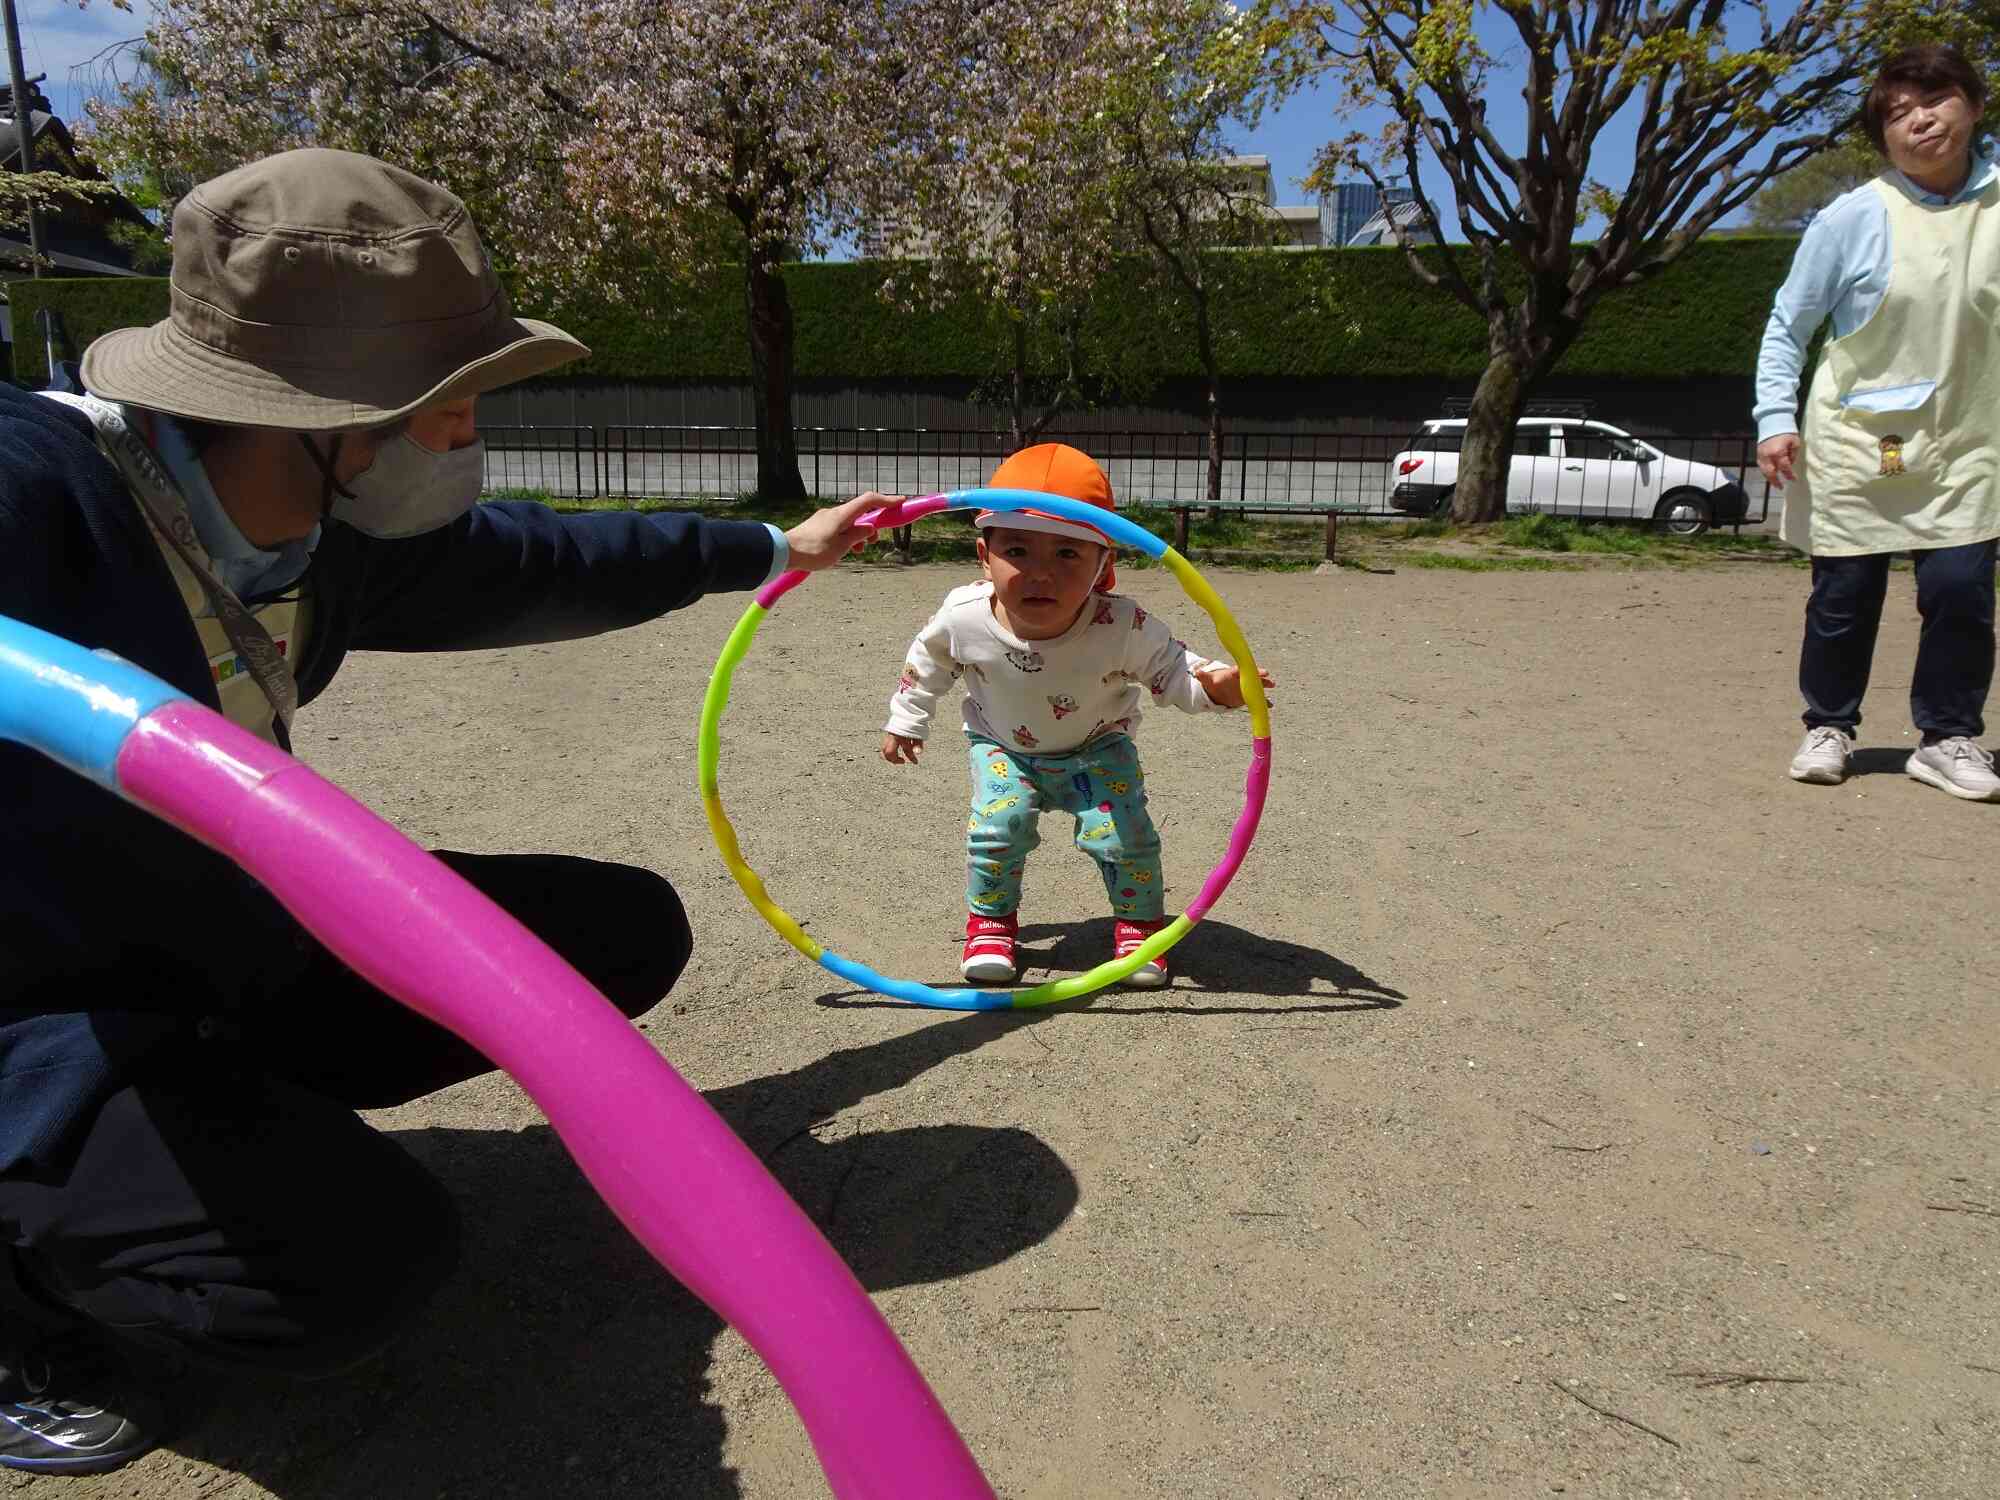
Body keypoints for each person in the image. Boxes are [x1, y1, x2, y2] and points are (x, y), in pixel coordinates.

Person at [0, 147, 889, 1475]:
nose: (472, 429)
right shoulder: (41, 491)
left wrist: (768, 547)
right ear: (311, 410)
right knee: (351, 1270)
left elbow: (538, 558)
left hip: (215, 935)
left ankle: (226, 1120)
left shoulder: (316, 530)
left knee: (614, 935)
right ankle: (24, 1302)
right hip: (42, 1014)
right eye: (449, 401)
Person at [878, 443, 1273, 988]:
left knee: (1123, 835)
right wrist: (907, 720)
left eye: (1068, 555)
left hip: (1097, 746)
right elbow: (927, 664)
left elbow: (1173, 669)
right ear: (983, 555)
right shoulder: (962, 617)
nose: (1041, 574)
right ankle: (990, 922)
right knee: (999, 826)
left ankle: (1139, 927)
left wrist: (1220, 687)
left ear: (1103, 566)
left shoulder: (1121, 625)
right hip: (1002, 747)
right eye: (1017, 549)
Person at [1756, 44, 2000, 800]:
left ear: (1974, 105)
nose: (1919, 120)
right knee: (1845, 592)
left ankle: (1948, 736)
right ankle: (1828, 725)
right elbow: (1787, 326)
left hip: (1969, 430)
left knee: (1962, 588)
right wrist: (1773, 416)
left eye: (1935, 99)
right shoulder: (1854, 215)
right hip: (1862, 435)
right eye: (1897, 113)